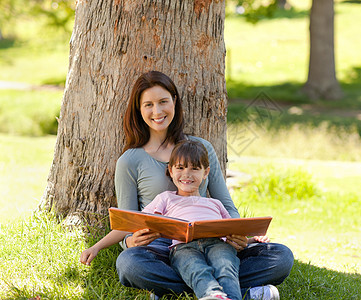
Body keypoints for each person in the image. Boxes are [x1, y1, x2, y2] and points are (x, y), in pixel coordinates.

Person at [80, 70, 294, 300]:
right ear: (139, 110)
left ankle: (183, 292)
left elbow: (225, 204)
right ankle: (237, 293)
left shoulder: (200, 148)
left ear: (175, 101)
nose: (157, 111)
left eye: (163, 102)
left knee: (281, 256)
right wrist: (129, 242)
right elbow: (127, 220)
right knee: (129, 265)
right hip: (165, 249)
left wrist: (240, 237)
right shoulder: (130, 160)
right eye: (148, 105)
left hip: (214, 244)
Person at [143, 139, 246, 300]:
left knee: (225, 268)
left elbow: (233, 229)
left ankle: (231, 297)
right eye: (180, 168)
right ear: (170, 170)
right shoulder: (166, 198)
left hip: (217, 244)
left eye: (195, 169)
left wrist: (253, 239)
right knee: (196, 269)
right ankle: (212, 294)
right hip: (183, 247)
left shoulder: (214, 203)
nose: (187, 174)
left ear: (206, 173)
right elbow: (143, 219)